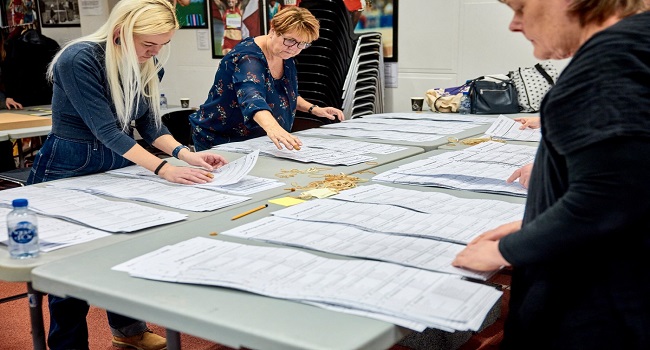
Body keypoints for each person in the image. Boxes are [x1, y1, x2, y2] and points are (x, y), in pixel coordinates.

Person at [28, 0, 227, 349]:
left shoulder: (146, 65)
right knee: (69, 267)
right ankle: (68, 344)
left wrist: (187, 154)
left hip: (115, 163)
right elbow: (106, 129)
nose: (154, 53)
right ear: (120, 32)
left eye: (162, 45)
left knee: (123, 248)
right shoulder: (80, 59)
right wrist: (165, 169)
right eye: (149, 44)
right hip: (67, 167)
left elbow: (150, 126)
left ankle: (129, 331)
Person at [453, 1, 650, 349]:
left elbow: (610, 200)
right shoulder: (636, 45)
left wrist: (505, 252)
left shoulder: (609, 62)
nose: (515, 25)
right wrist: (539, 219)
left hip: (601, 314)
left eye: (521, 8)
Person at [190, 6, 345, 151]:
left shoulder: (284, 54)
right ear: (273, 30)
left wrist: (314, 109)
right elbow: (252, 99)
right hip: (223, 139)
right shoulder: (248, 58)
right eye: (290, 40)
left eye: (302, 44)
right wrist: (275, 128)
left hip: (257, 140)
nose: (294, 48)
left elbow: (285, 94)